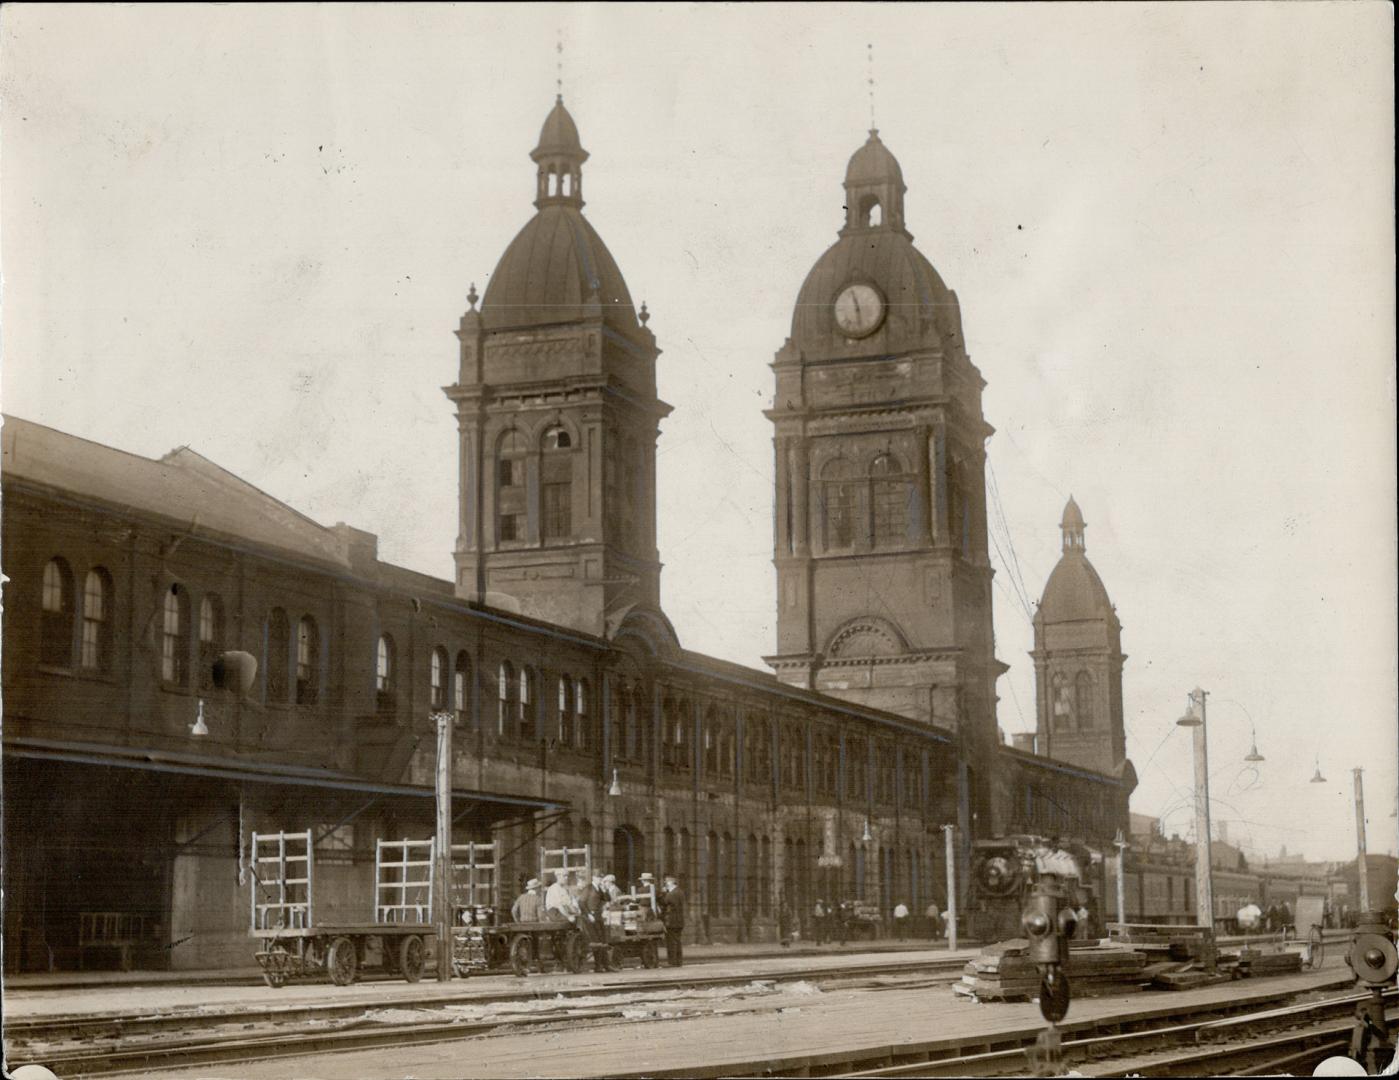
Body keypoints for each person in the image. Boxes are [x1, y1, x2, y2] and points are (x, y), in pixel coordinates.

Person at [659, 874, 686, 967]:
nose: (665, 885)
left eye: (666, 883)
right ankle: (678, 961)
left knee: (671, 942)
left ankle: (672, 962)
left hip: (671, 921)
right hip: (679, 921)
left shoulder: (672, 894)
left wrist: (663, 893)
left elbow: (664, 902)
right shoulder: (680, 892)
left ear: (670, 883)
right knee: (677, 941)